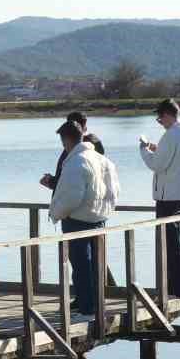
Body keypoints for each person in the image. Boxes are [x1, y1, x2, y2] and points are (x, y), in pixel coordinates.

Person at [49, 121, 116, 320]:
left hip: (77, 219)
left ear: (66, 140)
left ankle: (87, 309)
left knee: (81, 266)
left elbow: (72, 196)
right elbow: (115, 190)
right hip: (99, 218)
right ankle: (96, 306)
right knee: (95, 265)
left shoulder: (76, 161)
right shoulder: (102, 159)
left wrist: (56, 213)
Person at [139, 98, 180, 297]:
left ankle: (176, 289)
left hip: (166, 198)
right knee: (173, 243)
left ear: (168, 115)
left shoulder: (171, 136)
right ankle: (178, 287)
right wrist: (158, 149)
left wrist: (144, 150)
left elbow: (157, 165)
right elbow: (172, 158)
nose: (160, 121)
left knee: (168, 243)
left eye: (160, 117)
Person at [39, 111, 88, 193]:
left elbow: (73, 183)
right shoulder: (88, 147)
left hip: (71, 202)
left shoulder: (75, 149)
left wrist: (50, 181)